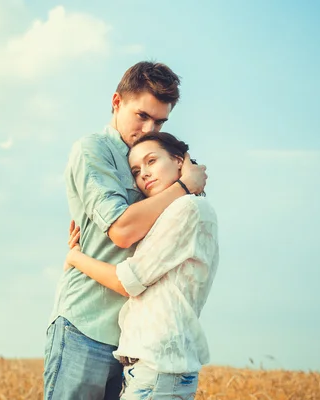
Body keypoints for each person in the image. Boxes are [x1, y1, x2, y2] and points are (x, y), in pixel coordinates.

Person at [43, 61, 208, 400]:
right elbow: (121, 231)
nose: (149, 128)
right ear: (117, 103)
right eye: (142, 116)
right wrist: (182, 186)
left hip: (135, 341)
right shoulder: (93, 151)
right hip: (84, 326)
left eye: (159, 121)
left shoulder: (158, 158)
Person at [64, 131, 219, 399]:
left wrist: (75, 257)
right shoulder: (174, 212)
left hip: (159, 367)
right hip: (155, 368)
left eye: (151, 161)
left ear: (180, 161)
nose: (143, 174)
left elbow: (128, 281)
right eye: (136, 170)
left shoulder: (188, 209)